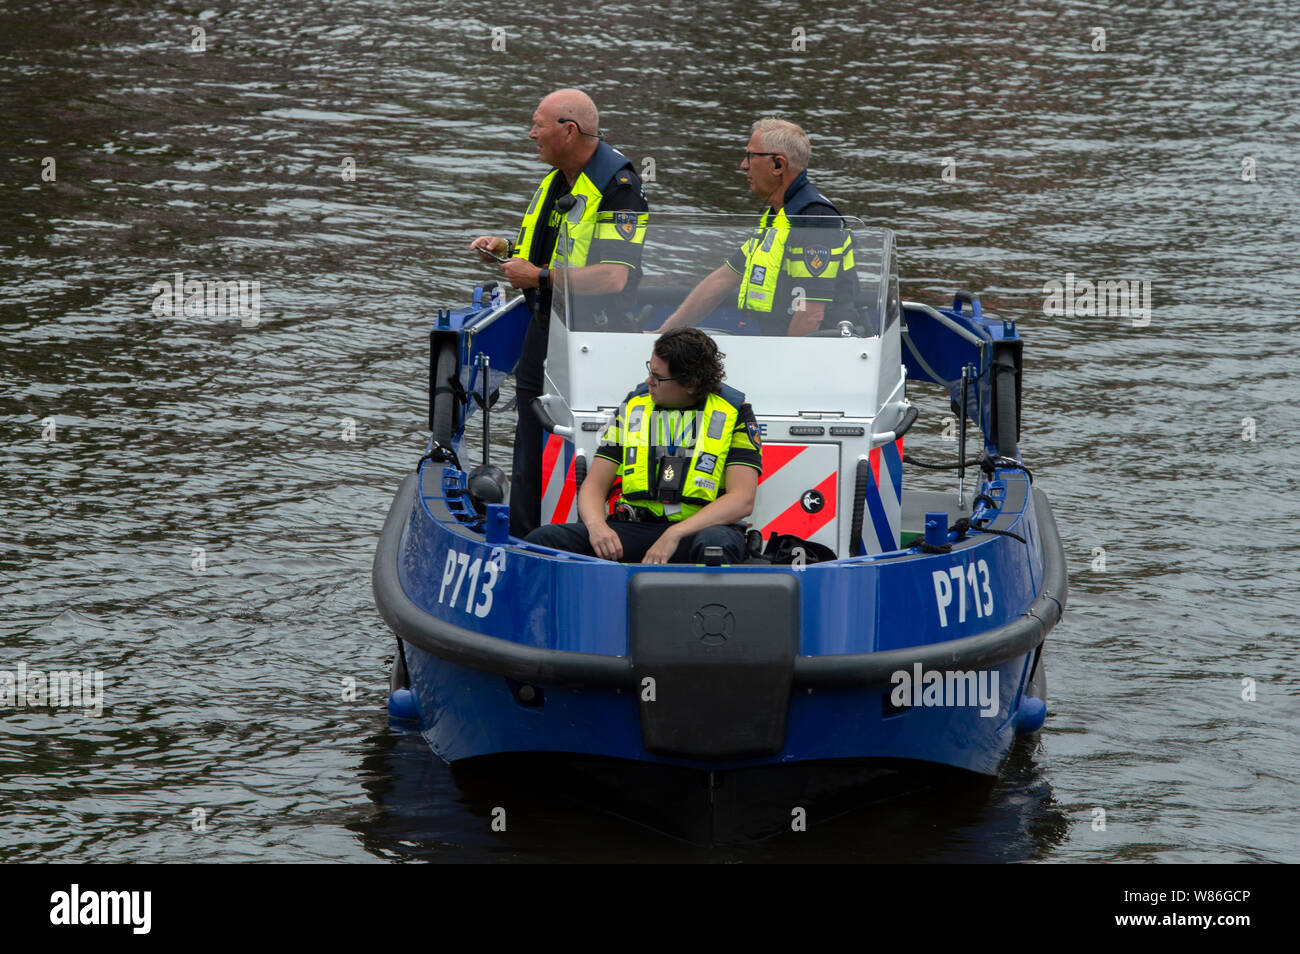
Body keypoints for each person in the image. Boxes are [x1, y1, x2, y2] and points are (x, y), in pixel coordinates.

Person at [470, 89, 648, 538]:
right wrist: (506, 250)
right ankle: (525, 531)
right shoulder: (560, 179)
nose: (532, 134)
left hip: (590, 334)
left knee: (554, 432)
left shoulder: (618, 189)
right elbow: (547, 252)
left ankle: (555, 535)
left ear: (569, 131)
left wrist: (540, 278)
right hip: (549, 324)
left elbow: (613, 279)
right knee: (530, 434)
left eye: (538, 125)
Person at [524, 329, 761, 565]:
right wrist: (598, 527)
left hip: (697, 532)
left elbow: (742, 499)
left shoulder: (735, 412)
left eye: (658, 377)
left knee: (716, 544)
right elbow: (595, 484)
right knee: (543, 540)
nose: (649, 381)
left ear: (690, 383)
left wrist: (674, 533)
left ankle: (705, 604)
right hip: (632, 528)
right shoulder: (634, 406)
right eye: (650, 370)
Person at [648, 117, 855, 337]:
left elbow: (811, 315)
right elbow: (723, 279)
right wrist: (663, 333)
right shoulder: (780, 215)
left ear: (778, 165)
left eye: (751, 156)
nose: (743, 165)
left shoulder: (814, 218)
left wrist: (783, 366)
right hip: (780, 345)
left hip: (819, 352)